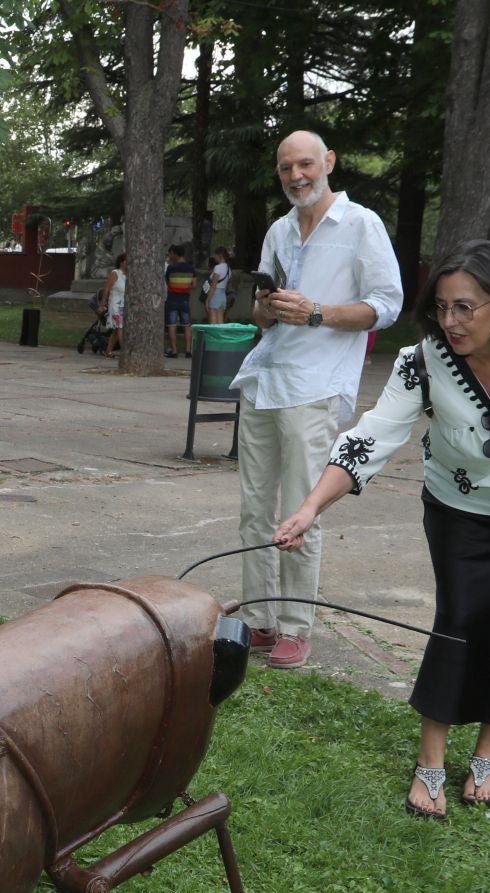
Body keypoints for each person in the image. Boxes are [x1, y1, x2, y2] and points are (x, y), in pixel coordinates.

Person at [274, 239, 490, 817]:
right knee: (458, 622)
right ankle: (431, 760)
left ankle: (489, 754)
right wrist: (312, 507)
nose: (450, 321)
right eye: (441, 307)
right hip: (461, 512)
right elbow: (374, 433)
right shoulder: (422, 360)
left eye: (466, 307)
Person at [234, 129, 402, 670]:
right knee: (254, 508)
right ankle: (259, 620)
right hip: (265, 378)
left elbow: (387, 306)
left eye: (305, 164)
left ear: (329, 160)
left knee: (301, 510)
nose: (296, 176)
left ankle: (296, 625)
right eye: (286, 168)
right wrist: (267, 305)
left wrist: (315, 312)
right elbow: (260, 316)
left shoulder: (361, 224)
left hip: (316, 385)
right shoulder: (280, 229)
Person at [164, 243, 197, 357]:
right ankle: (188, 351)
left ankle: (174, 350)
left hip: (172, 299)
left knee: (171, 325)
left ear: (175, 254)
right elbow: (194, 284)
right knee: (187, 325)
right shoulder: (191, 268)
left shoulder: (171, 268)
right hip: (185, 300)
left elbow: (168, 281)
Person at [100, 253, 127, 357]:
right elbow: (107, 288)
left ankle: (108, 351)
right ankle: (124, 351)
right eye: (126, 261)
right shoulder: (115, 273)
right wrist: (103, 304)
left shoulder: (129, 275)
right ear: (121, 262)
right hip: (116, 304)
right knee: (120, 327)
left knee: (117, 329)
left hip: (124, 305)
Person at [205, 247, 233, 323]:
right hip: (223, 296)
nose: (214, 257)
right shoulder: (228, 268)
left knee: (213, 324)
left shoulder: (217, 268)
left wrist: (207, 300)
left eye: (215, 255)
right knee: (220, 323)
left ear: (219, 255)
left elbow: (213, 286)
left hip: (215, 295)